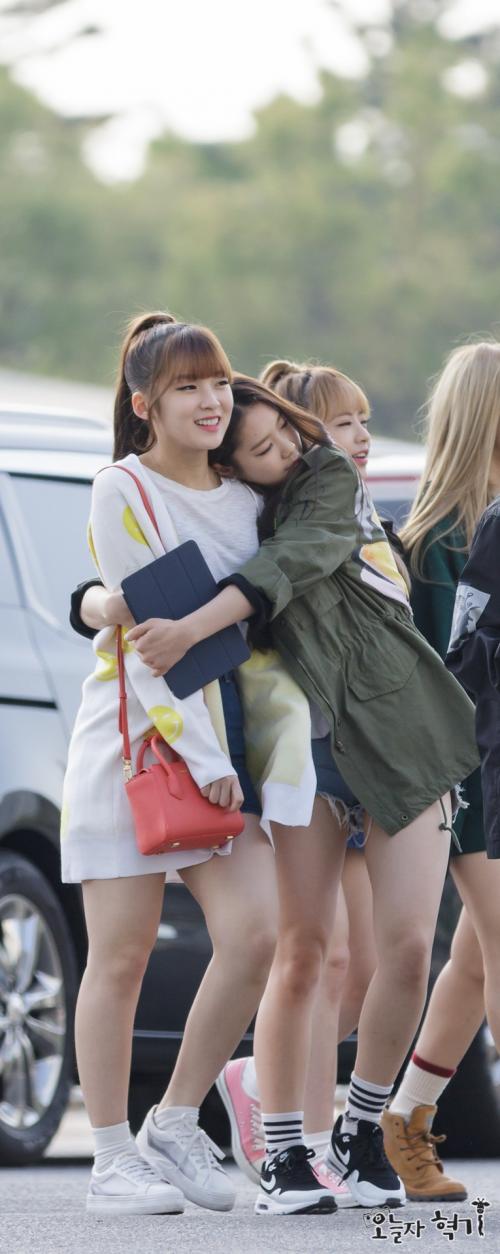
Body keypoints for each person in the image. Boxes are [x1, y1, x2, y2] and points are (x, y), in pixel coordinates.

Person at [128, 372, 479, 1214]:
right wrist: (98, 603)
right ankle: (284, 1146)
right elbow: (146, 570)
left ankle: (362, 1130)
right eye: (264, 447)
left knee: (406, 948)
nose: (290, 449)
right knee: (306, 950)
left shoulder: (329, 482)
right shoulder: (228, 514)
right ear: (232, 466)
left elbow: (292, 561)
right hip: (303, 753)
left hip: (402, 735)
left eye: (291, 431)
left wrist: (195, 623)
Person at [63, 312, 326, 1216]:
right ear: (145, 405)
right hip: (137, 745)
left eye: (218, 381)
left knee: (256, 935)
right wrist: (205, 756)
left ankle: (174, 1121)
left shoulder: (247, 499)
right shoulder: (122, 487)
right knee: (121, 956)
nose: (211, 400)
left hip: (226, 748)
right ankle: (110, 1158)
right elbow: (150, 642)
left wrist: (236, 758)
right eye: (187, 387)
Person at [216, 360, 379, 1191]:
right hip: (296, 757)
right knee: (321, 952)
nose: (355, 438)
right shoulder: (266, 520)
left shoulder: (358, 510)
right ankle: (302, 1130)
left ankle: (267, 1087)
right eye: (337, 424)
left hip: (363, 754)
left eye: (359, 421)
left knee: (361, 963)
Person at [381, 341, 500, 1199]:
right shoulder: (433, 543)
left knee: (475, 957)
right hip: (469, 772)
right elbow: (445, 674)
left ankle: (404, 1122)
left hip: (481, 763)